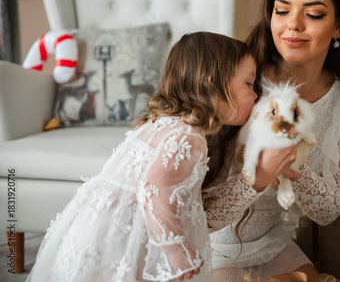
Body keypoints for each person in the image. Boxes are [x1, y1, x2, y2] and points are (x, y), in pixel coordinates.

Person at [27, 32, 258, 282]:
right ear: (212, 83)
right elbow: (154, 188)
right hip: (123, 239)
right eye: (249, 84)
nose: (255, 95)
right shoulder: (189, 138)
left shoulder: (161, 124)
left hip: (100, 230)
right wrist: (175, 248)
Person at [202, 0, 340, 280]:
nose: (293, 24)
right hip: (208, 248)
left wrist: (295, 167)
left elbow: (328, 211)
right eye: (282, 11)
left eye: (312, 14)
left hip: (273, 245)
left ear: (338, 25)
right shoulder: (238, 81)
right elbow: (201, 216)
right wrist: (260, 176)